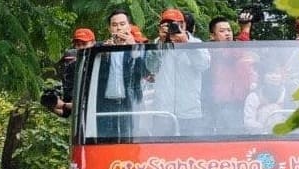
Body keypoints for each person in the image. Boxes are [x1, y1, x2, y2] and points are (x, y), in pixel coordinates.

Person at [145, 8, 210, 137]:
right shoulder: (158, 44)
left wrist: (186, 43)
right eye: (167, 25)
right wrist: (160, 45)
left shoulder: (196, 43)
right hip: (163, 111)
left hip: (189, 111)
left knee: (191, 152)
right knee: (161, 152)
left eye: (175, 24)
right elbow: (151, 68)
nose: (171, 28)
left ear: (184, 25)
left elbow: (203, 65)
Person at [93, 9, 147, 140]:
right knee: (104, 139)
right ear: (109, 28)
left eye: (122, 24)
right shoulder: (101, 47)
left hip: (129, 102)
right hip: (105, 103)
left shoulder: (138, 47)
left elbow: (144, 72)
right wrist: (103, 53)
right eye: (115, 25)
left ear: (129, 26)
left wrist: (133, 47)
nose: (119, 28)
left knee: (129, 138)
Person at [204, 16, 256, 134]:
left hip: (241, 101)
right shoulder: (214, 50)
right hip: (226, 103)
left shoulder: (234, 49)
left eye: (229, 30)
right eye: (222, 31)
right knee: (232, 136)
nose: (227, 34)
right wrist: (246, 30)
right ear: (212, 36)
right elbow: (234, 53)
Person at [46, 28, 98, 117]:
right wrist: (52, 105)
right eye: (78, 45)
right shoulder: (72, 68)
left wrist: (65, 105)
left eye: (84, 44)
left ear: (93, 43)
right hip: (82, 121)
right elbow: (67, 112)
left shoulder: (102, 62)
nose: (81, 48)